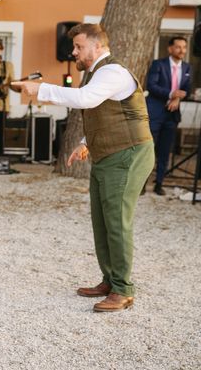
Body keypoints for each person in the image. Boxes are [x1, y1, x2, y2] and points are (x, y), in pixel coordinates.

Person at [13, 23, 154, 313]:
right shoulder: (95, 74)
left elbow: (85, 100)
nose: (73, 51)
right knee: (101, 221)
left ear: (97, 46)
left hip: (128, 154)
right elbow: (102, 112)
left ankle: (123, 290)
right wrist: (84, 141)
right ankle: (109, 280)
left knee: (116, 221)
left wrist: (41, 89)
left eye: (78, 46)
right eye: (74, 46)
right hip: (106, 154)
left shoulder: (113, 72)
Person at [145, 36, 191, 196]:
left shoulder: (187, 67)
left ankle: (159, 183)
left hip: (172, 115)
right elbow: (151, 86)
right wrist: (171, 94)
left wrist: (177, 98)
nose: (182, 50)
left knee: (165, 151)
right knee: (148, 149)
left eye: (184, 47)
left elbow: (187, 89)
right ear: (170, 48)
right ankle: (142, 184)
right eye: (178, 47)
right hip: (155, 113)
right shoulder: (159, 64)